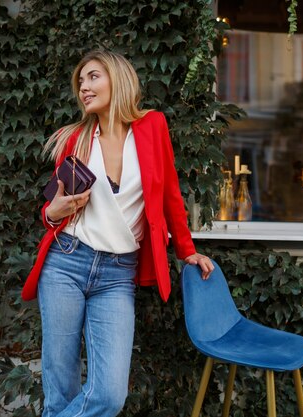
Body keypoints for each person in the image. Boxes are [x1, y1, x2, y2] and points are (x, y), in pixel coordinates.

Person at [22, 50, 214, 417]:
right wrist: (53, 212)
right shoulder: (74, 138)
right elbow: (50, 207)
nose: (84, 87)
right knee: (60, 390)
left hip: (117, 274)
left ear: (118, 78)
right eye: (80, 82)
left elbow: (171, 192)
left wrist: (187, 250)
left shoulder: (152, 127)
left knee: (110, 395)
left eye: (93, 77)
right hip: (66, 262)